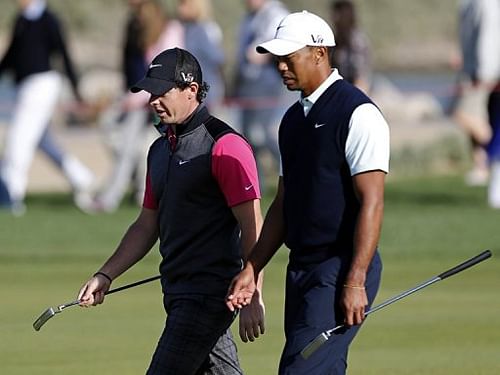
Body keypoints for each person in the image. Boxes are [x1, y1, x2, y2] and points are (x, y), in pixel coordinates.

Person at [77, 48, 265, 374]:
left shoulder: (225, 145)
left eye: (162, 92)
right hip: (177, 292)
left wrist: (253, 294)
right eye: (151, 92)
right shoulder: (160, 149)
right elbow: (146, 225)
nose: (153, 100)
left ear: (192, 90)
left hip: (208, 296)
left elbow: (253, 226)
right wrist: (105, 275)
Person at [226, 11, 390, 374]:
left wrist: (355, 279)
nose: (281, 66)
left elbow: (372, 202)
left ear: (319, 53)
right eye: (277, 59)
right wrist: (252, 267)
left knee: (300, 370)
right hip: (301, 269)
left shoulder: (358, 113)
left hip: (340, 267)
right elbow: (284, 204)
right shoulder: (291, 121)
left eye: (289, 57)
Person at [83, 0, 185, 213]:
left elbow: (164, 72)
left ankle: (118, 197)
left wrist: (140, 97)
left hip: (155, 100)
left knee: (146, 148)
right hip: (140, 99)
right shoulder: (136, 28)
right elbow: (132, 66)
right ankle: (135, 194)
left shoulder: (169, 30)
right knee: (131, 147)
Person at [0, 0, 95, 213]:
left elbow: (64, 54)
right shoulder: (21, 20)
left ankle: (10, 196)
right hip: (23, 86)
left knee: (19, 139)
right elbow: (12, 54)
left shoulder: (48, 20)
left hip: (42, 85)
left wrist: (77, 90)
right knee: (41, 141)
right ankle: (81, 177)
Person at [232, 0, 291, 191]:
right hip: (248, 84)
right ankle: (255, 185)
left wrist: (260, 53)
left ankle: (292, 171)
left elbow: (276, 43)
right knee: (248, 138)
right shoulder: (250, 17)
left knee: (263, 135)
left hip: (266, 84)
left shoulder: (275, 13)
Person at [452, 0, 500, 186]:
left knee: (463, 114)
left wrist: (483, 72)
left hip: (482, 73)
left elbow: (488, 35)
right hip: (473, 70)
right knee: (479, 118)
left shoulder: (485, 3)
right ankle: (482, 165)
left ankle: (491, 155)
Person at [177, 0, 225, 110]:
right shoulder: (186, 28)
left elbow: (217, 57)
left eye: (184, 5)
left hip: (205, 94)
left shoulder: (204, 29)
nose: (180, 9)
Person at [329, 0, 372, 94]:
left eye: (339, 15)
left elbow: (360, 77)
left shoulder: (357, 42)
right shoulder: (334, 40)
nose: (335, 19)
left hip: (352, 92)